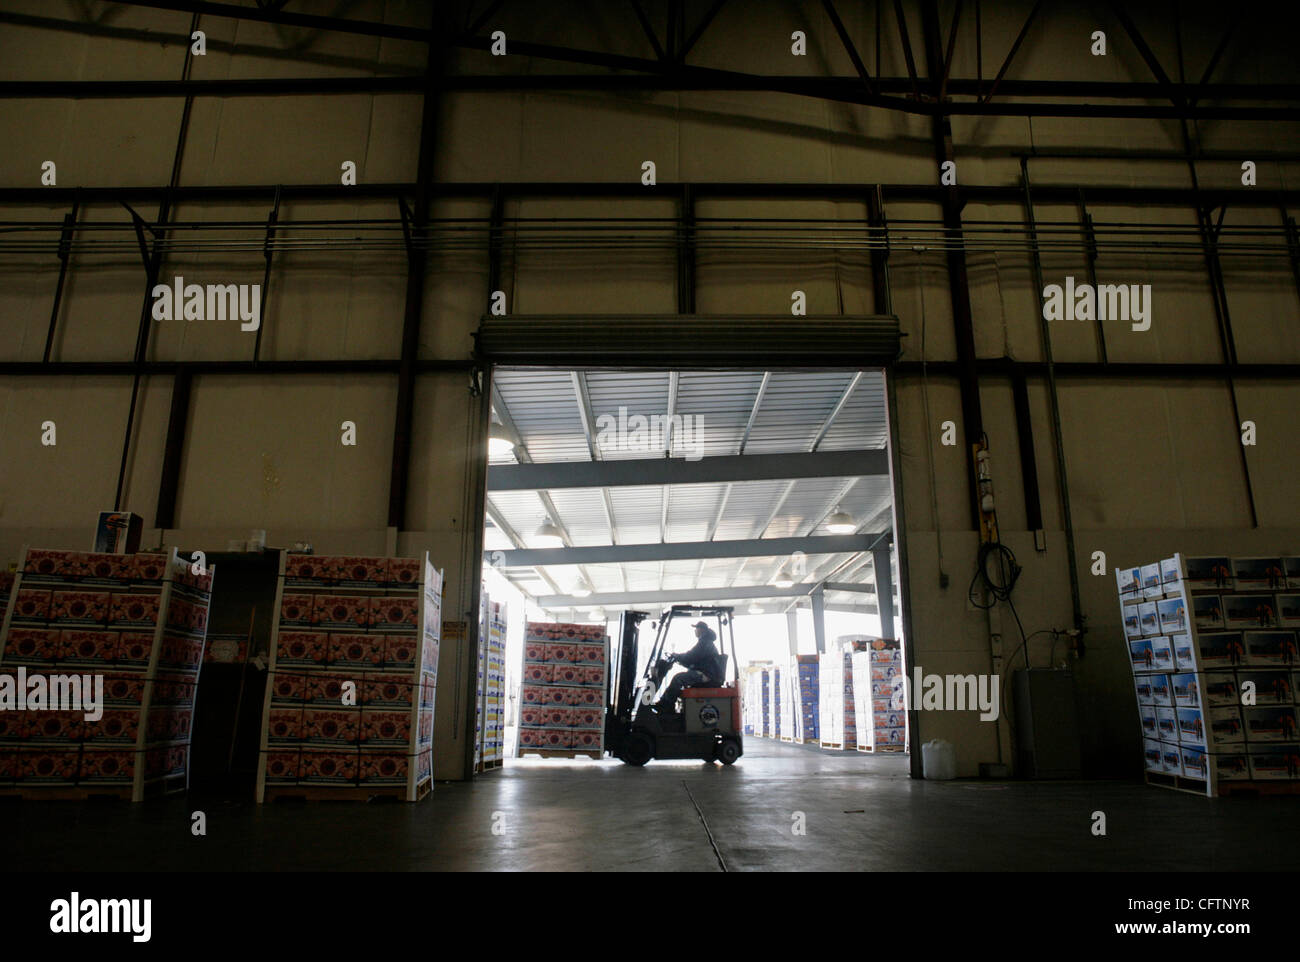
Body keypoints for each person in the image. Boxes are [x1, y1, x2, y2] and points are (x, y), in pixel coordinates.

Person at [655, 621, 725, 713]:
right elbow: (692, 659)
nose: (695, 631)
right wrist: (678, 658)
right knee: (679, 678)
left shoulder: (705, 642)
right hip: (705, 672)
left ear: (701, 630)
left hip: (706, 674)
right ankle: (666, 703)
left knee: (678, 678)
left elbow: (691, 656)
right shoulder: (705, 642)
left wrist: (677, 656)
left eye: (696, 628)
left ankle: (666, 705)